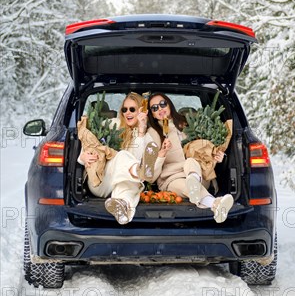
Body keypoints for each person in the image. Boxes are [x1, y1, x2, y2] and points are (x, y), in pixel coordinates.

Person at [147, 93, 234, 223]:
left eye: (162, 104)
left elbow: (204, 153)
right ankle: (215, 203)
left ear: (169, 104)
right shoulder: (153, 134)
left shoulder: (188, 125)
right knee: (185, 185)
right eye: (154, 108)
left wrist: (215, 157)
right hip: (172, 179)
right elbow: (151, 176)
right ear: (152, 114)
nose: (159, 109)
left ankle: (193, 181)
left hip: (199, 173)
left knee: (190, 161)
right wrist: (162, 153)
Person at [78, 92, 159, 225]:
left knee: (129, 183)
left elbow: (138, 157)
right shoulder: (111, 125)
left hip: (123, 184)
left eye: (132, 109)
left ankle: (123, 208)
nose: (128, 113)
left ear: (141, 111)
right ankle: (138, 171)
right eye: (124, 109)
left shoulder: (146, 136)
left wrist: (141, 130)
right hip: (100, 180)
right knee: (124, 159)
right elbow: (90, 139)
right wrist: (82, 156)